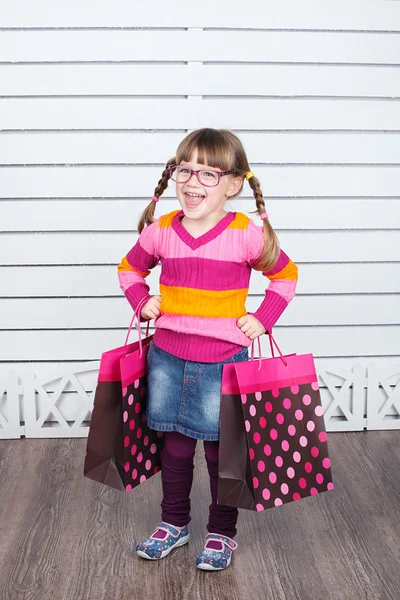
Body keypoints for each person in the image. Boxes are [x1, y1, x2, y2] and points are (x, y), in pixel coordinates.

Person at [117, 128, 298, 571]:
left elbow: (286, 275)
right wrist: (143, 301)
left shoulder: (245, 234)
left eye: (208, 173)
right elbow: (128, 270)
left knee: (220, 452)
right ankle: (174, 523)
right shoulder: (162, 231)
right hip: (167, 358)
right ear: (174, 175)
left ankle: (221, 533)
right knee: (174, 444)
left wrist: (263, 317)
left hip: (223, 362)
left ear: (234, 185)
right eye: (185, 169)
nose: (192, 180)